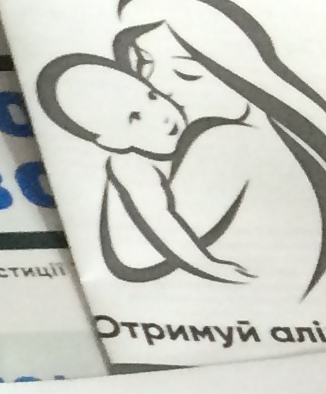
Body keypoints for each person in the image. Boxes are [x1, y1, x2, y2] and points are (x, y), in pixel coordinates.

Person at [43, 0, 326, 298]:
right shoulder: (258, 133)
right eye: (145, 63)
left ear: (238, 75)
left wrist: (129, 166)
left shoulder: (227, 142)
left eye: (185, 72)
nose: (156, 86)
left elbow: (137, 254)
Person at [43, 58, 252, 283]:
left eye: (152, 96)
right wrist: (211, 267)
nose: (161, 115)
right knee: (238, 137)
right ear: (113, 141)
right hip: (145, 253)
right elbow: (160, 221)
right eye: (135, 117)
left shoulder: (181, 128)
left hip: (169, 240)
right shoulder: (128, 164)